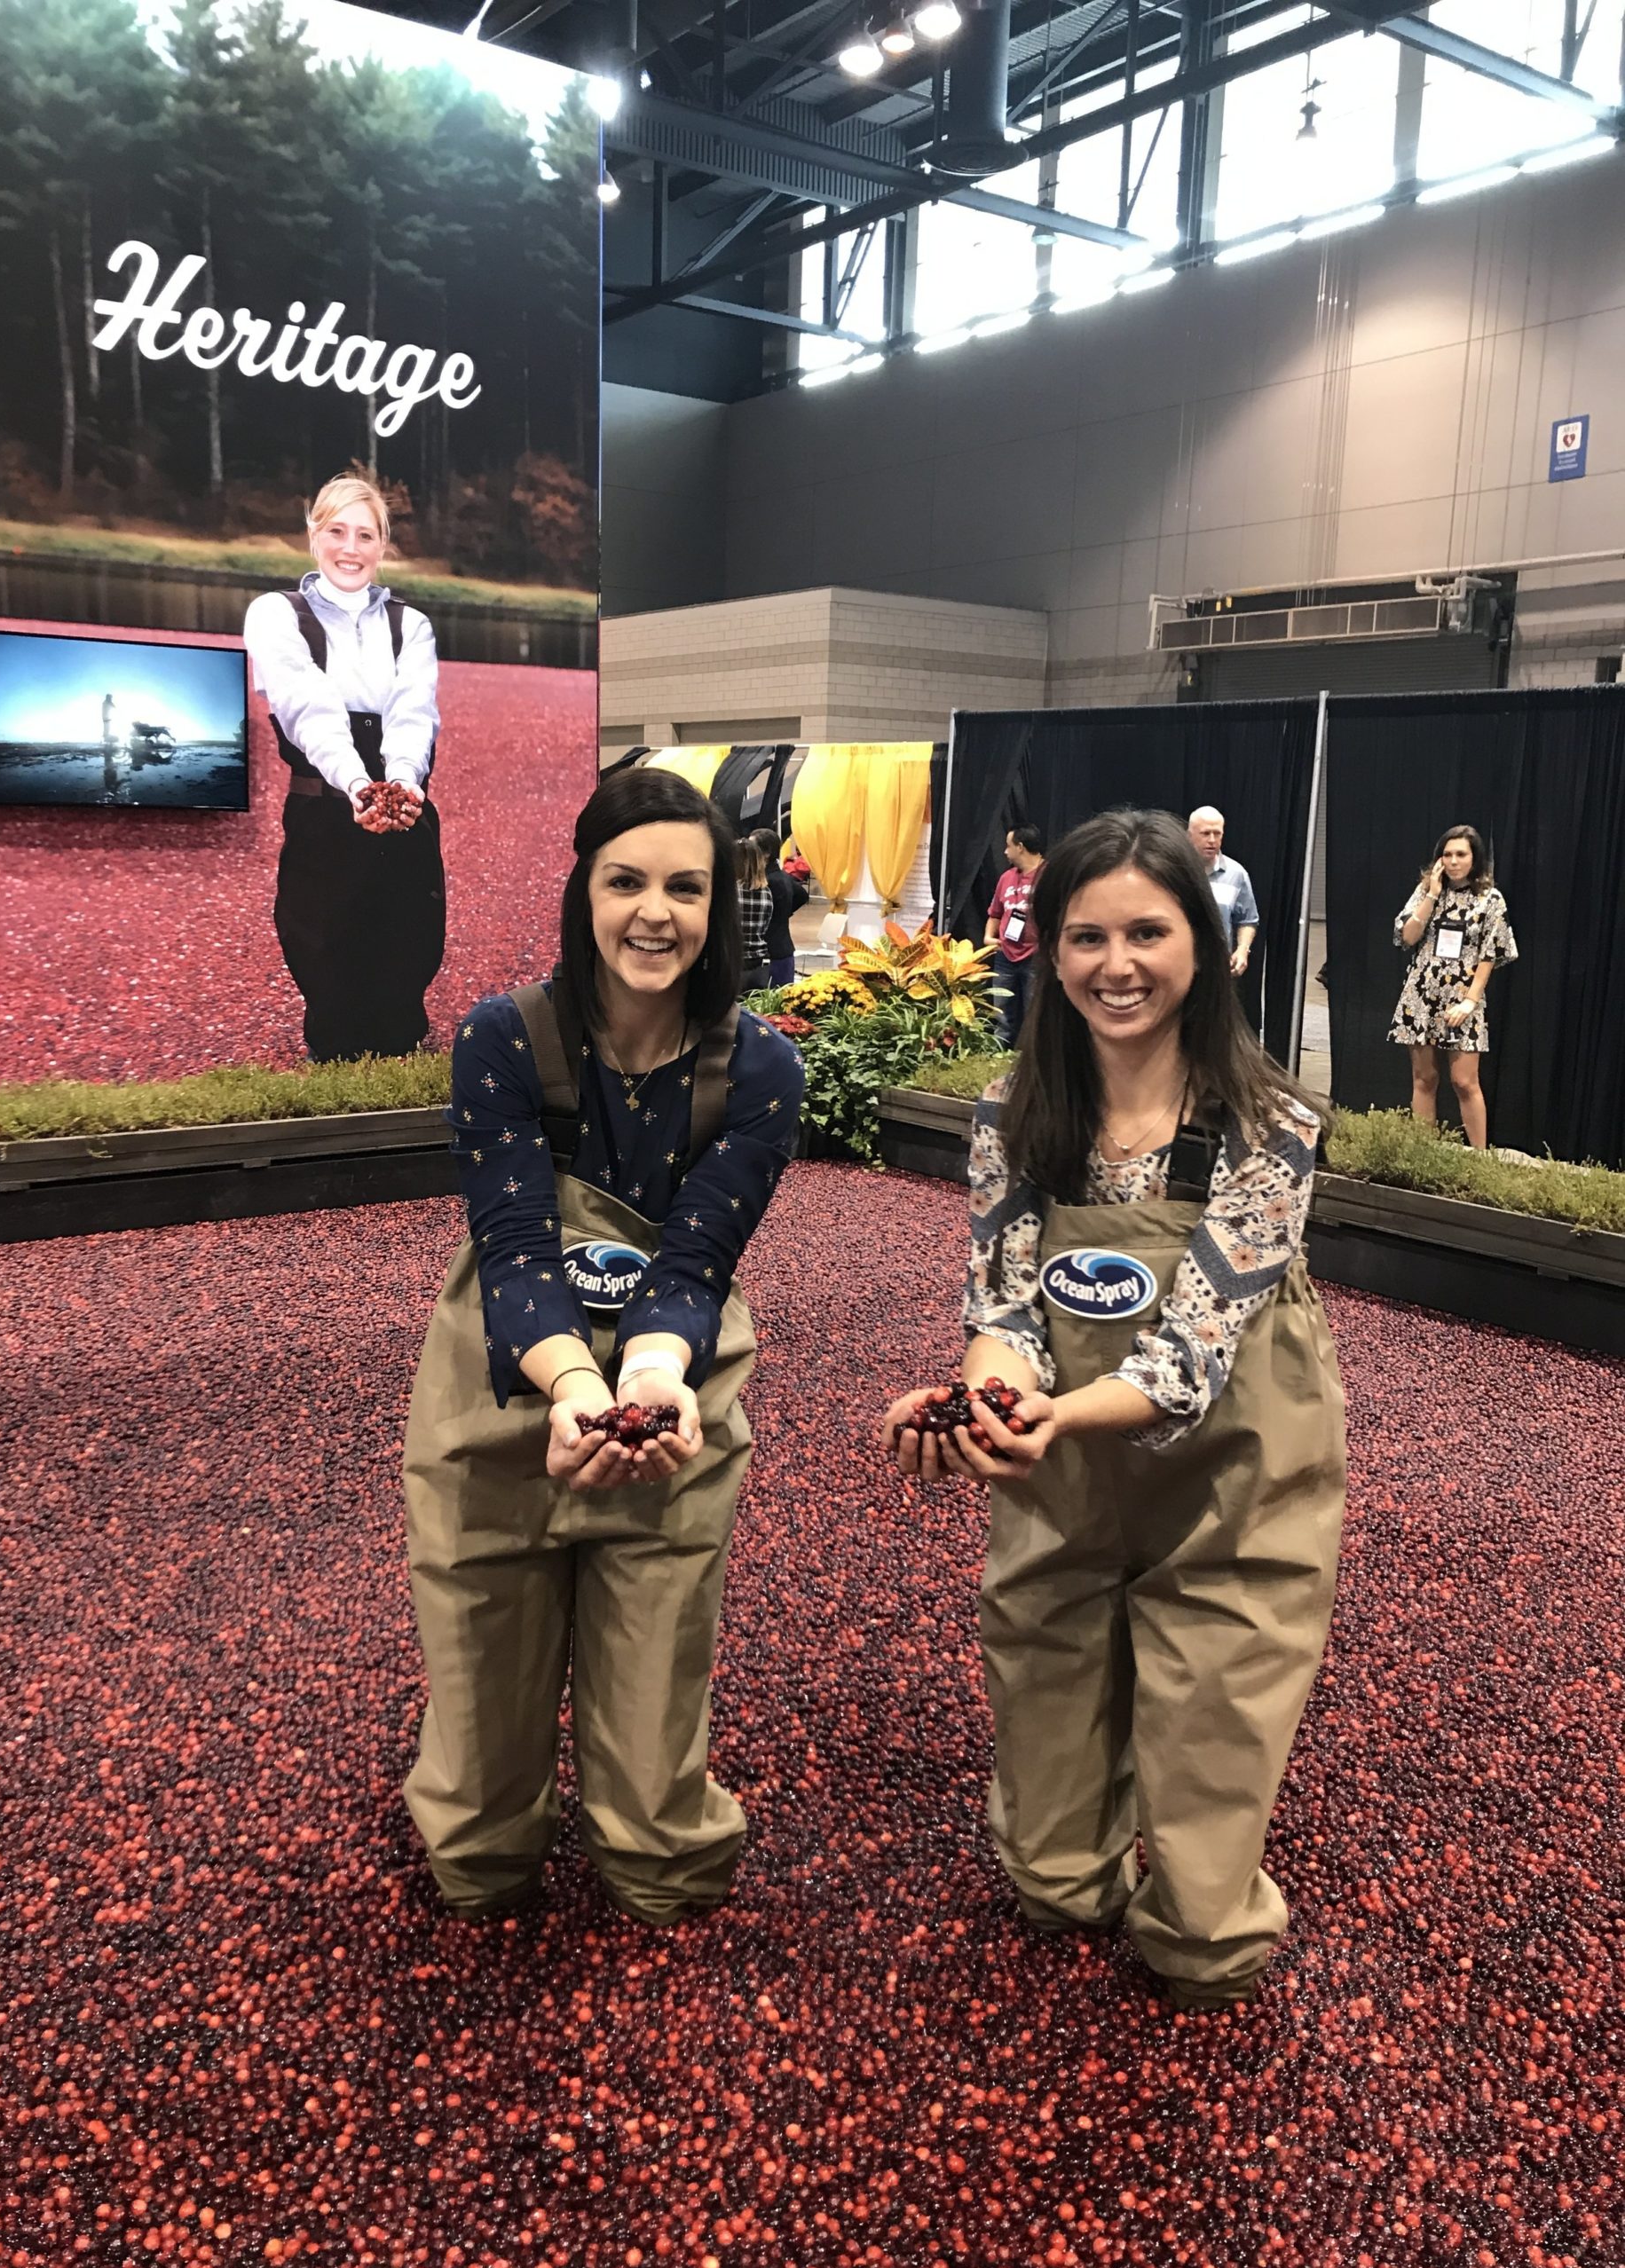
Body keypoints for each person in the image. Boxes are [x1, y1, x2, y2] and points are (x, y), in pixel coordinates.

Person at [880, 807, 1345, 2010]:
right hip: (1069, 1495)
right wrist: (978, 1400)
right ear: (1052, 949)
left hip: (1231, 1494)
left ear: (1204, 939)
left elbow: (1190, 1354)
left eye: (1148, 930)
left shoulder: (1270, 1124)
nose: (1116, 964)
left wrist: (1050, 1418)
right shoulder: (1013, 1114)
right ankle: (1073, 1842)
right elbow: (1008, 1307)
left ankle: (1201, 1894)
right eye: (1087, 936)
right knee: (1051, 1885)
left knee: (1198, 1940)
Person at [402, 768, 805, 1925]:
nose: (654, 912)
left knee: (655, 1791)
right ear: (583, 887)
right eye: (625, 880)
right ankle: (486, 1837)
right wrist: (577, 1381)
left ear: (721, 902)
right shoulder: (503, 1039)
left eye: (686, 886)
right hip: (503, 1396)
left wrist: (649, 1378)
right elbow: (518, 1246)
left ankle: (659, 1852)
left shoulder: (762, 1069)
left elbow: (693, 1260)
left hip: (667, 1388)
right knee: (478, 1822)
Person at [242, 473, 444, 1062]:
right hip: (324, 808)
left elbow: (414, 712)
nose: (350, 548)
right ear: (313, 536)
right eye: (336, 531)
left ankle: (402, 1055)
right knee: (322, 939)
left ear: (383, 546)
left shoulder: (412, 624)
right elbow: (308, 704)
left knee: (410, 935)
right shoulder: (277, 614)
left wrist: (402, 785)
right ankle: (333, 1061)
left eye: (365, 534)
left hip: (404, 806)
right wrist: (356, 784)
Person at [1389, 823, 1517, 1150]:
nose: (1453, 861)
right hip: (1421, 993)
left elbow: (1491, 953)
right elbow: (1407, 937)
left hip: (1462, 997)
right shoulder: (1426, 891)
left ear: (1475, 858)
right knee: (1424, 1078)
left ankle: (1479, 1157)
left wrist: (1470, 1002)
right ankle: (1422, 1153)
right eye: (1447, 854)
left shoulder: (1490, 899)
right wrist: (1432, 892)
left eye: (1461, 854)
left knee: (1464, 1081)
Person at [984, 824, 1045, 1045]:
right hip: (1005, 955)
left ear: (1020, 847)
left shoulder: (1049, 875)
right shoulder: (1006, 878)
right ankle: (997, 1056)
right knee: (1001, 1013)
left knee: (1035, 1013)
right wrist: (988, 937)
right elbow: (995, 913)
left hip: (1036, 956)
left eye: (1008, 846)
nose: (1004, 852)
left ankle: (1030, 1061)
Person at [1187, 807, 1258, 981]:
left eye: (1217, 834)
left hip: (1217, 971)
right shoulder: (1173, 870)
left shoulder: (1236, 874)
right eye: (1205, 833)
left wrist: (1242, 950)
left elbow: (1248, 919)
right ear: (1189, 835)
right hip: (1177, 967)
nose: (1212, 840)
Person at [753, 826, 809, 988]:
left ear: (766, 853)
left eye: (753, 848)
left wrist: (780, 914)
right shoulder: (783, 876)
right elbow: (802, 895)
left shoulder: (768, 882)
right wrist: (784, 913)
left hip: (773, 955)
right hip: (782, 950)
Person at [735, 832, 774, 994]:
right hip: (758, 963)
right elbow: (765, 927)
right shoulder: (767, 892)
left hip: (732, 961)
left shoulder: (728, 892)